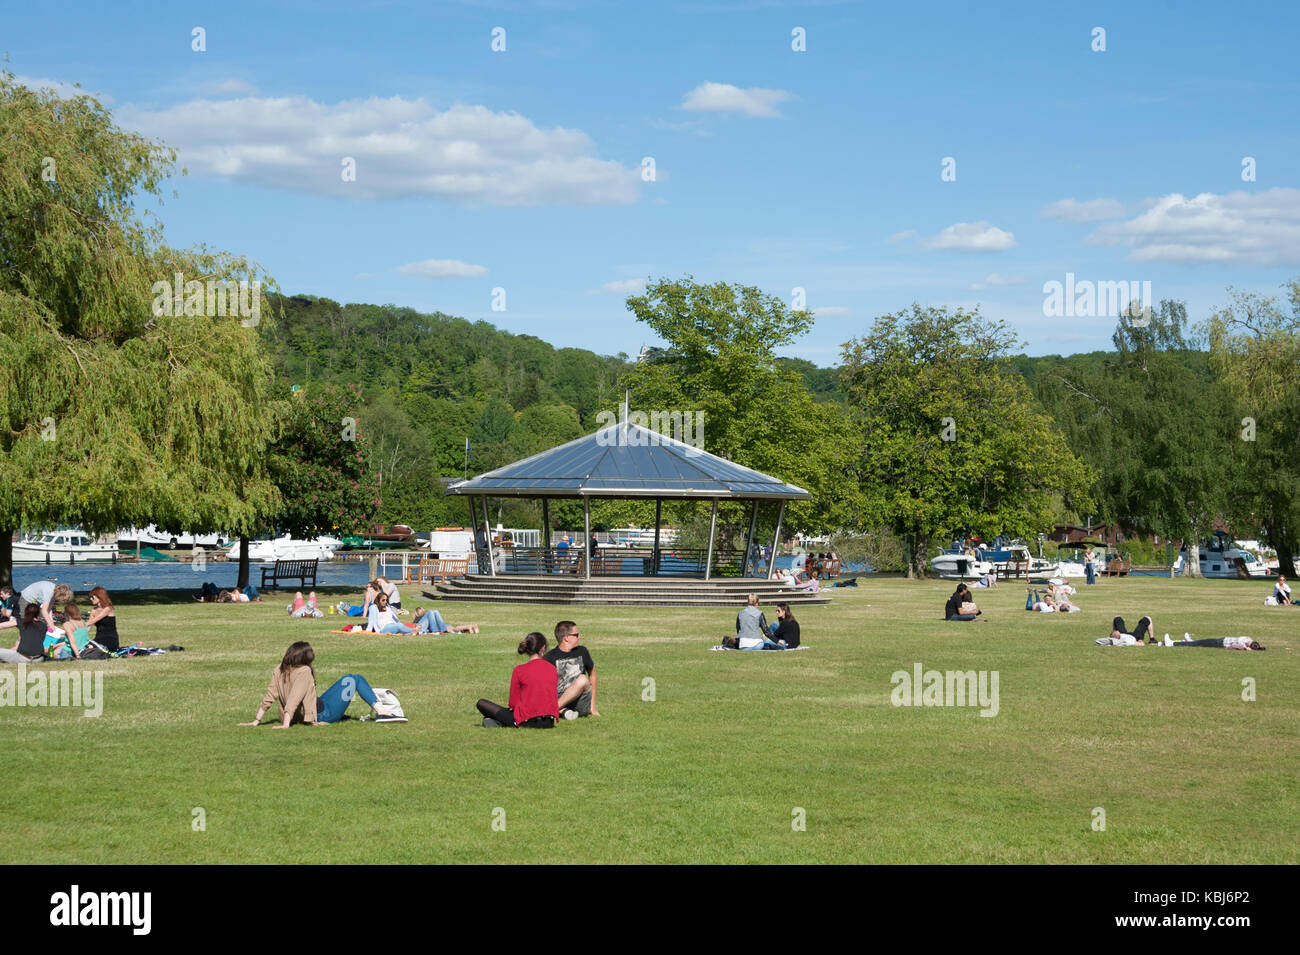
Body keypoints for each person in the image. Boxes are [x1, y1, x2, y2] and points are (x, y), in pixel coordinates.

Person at [240, 641, 404, 727]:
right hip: (322, 714)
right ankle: (382, 711)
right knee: (354, 679)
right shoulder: (304, 671)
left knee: (349, 678)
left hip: (318, 704)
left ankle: (359, 700)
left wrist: (256, 720)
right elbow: (294, 699)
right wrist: (286, 725)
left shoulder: (280, 668)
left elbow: (270, 696)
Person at [476, 632, 560, 728]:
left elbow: (513, 703)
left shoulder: (520, 670)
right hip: (548, 722)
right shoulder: (552, 669)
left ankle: (497, 722)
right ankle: (496, 722)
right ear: (543, 648)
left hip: (527, 721)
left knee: (481, 703)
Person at [545, 620, 599, 718]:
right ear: (566, 638)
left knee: (583, 679)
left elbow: (593, 674)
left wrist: (592, 706)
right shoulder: (549, 658)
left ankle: (551, 710)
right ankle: (563, 711)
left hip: (580, 701)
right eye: (576, 635)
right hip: (559, 698)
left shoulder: (582, 651)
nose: (579, 637)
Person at [85, 586, 119, 652]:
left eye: (92, 597)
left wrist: (76, 625)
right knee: (85, 647)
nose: (90, 599)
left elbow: (94, 620)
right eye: (90, 597)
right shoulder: (93, 610)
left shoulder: (108, 608)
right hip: (98, 639)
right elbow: (88, 627)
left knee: (91, 648)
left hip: (110, 639)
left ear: (100, 597)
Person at [410, 606, 479, 634]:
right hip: (440, 626)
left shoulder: (418, 619)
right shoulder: (428, 617)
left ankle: (436, 631)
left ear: (416, 613)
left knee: (432, 612)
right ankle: (469, 626)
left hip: (435, 628)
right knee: (453, 628)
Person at [1169, 635, 1266, 650]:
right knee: (1201, 642)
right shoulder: (1249, 641)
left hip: (1220, 644)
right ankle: (1191, 641)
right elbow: (1258, 646)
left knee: (1199, 643)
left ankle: (1172, 644)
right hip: (1221, 639)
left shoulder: (1243, 645)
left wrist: (1245, 648)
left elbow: (1230, 648)